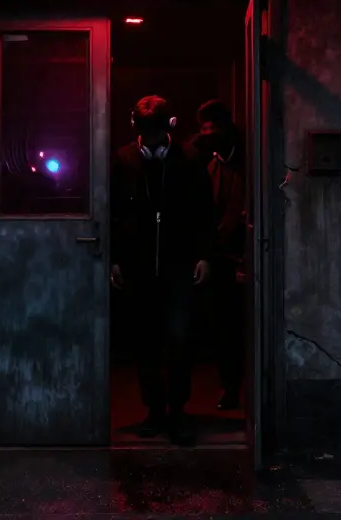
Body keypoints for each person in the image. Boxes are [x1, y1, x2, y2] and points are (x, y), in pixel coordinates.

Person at [111, 95, 214, 446]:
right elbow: (114, 212)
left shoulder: (189, 158)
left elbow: (204, 208)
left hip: (178, 264)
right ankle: (155, 410)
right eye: (145, 133)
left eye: (155, 134)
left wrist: (203, 255)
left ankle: (177, 411)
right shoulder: (124, 159)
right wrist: (116, 258)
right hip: (140, 265)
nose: (150, 141)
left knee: (178, 341)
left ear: (168, 127)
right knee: (146, 342)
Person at [191, 99, 247, 411]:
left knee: (238, 327)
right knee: (223, 327)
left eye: (213, 129)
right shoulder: (210, 163)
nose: (209, 135)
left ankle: (235, 386)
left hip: (242, 256)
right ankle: (230, 386)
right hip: (220, 257)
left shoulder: (245, 161)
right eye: (205, 130)